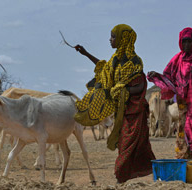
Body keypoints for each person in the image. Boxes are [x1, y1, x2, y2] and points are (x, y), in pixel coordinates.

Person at [74, 24, 156, 183]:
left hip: (135, 111)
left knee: (129, 145)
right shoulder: (115, 60)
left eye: (113, 37)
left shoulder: (135, 62)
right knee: (126, 145)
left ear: (123, 39)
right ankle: (125, 177)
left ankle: (121, 177)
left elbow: (140, 85)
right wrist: (85, 54)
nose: (110, 40)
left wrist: (122, 90)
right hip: (122, 112)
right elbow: (104, 69)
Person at [147, 27, 192, 183]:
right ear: (180, 42)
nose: (187, 44)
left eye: (190, 41)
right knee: (183, 135)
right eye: (184, 41)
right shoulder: (177, 60)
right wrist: (157, 76)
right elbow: (169, 78)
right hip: (184, 106)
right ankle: (185, 171)